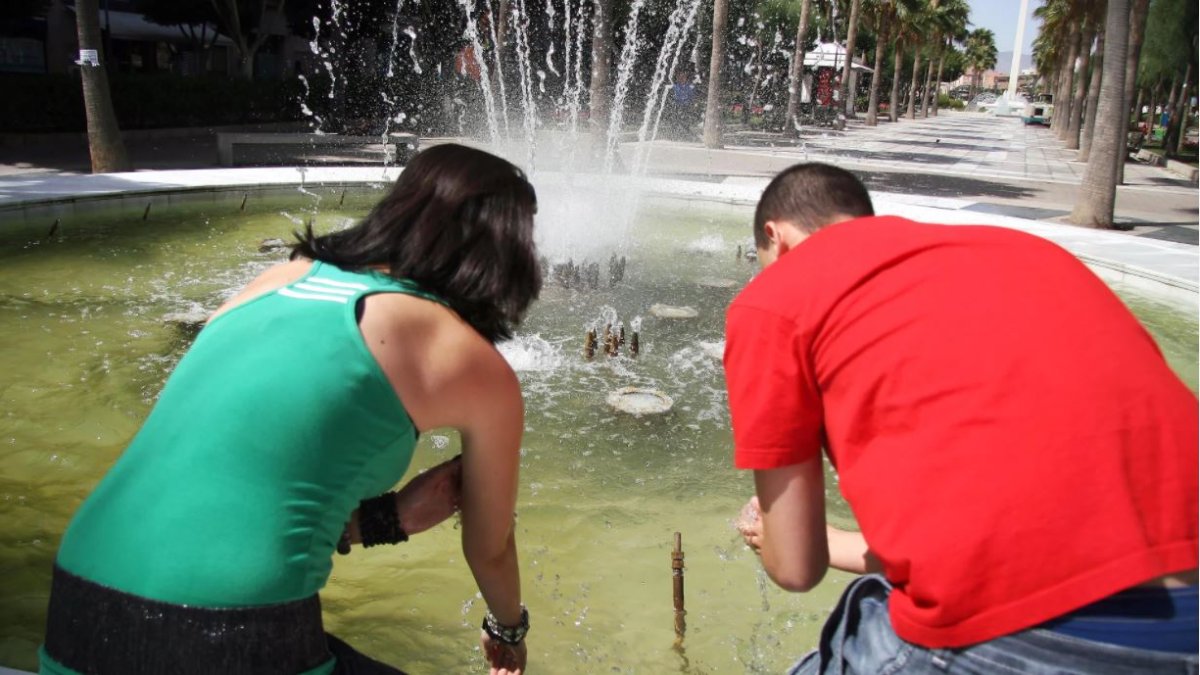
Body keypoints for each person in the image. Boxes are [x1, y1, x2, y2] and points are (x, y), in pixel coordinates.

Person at [40, 143, 539, 675]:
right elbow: (489, 548)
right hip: (230, 629)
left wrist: (382, 520)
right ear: (502, 252)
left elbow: (224, 478)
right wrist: (508, 632)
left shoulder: (276, 280)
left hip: (77, 604)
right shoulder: (467, 359)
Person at [725, 163, 1198, 674]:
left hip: (1033, 639)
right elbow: (1031, 529)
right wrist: (836, 542)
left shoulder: (777, 298)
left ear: (777, 236)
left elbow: (795, 570)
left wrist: (772, 536)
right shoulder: (1022, 252)